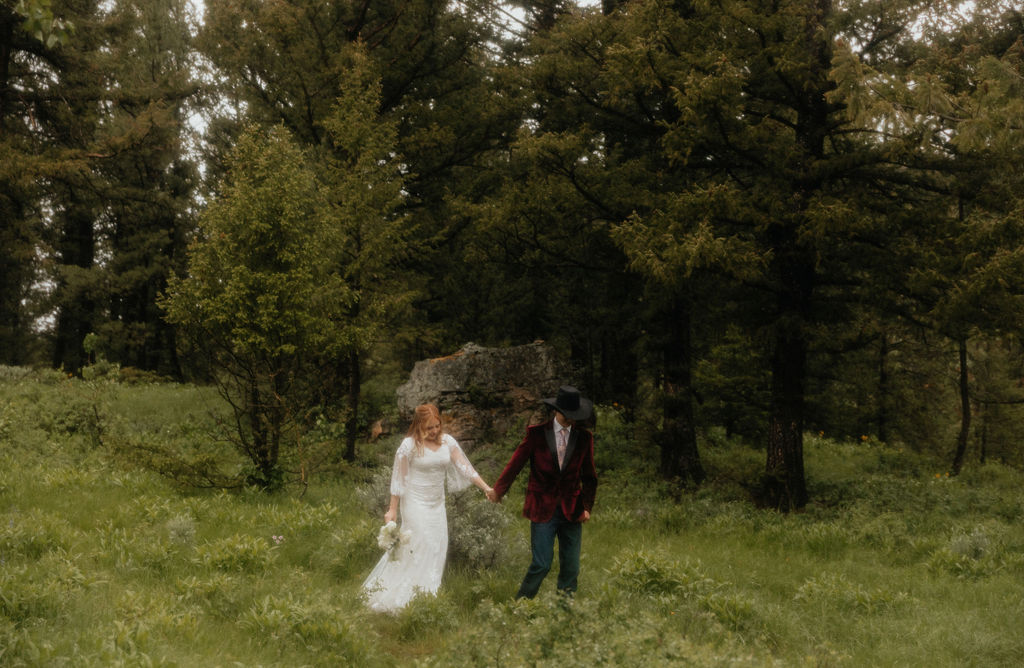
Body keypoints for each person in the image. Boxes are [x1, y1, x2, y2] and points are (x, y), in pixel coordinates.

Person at [362, 404, 493, 613]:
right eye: (429, 427)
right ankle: (407, 596)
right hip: (414, 502)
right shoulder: (409, 446)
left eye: (437, 426)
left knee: (437, 546)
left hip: (436, 504)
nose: (434, 431)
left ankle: (427, 596)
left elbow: (466, 468)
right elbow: (399, 479)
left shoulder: (447, 442)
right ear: (419, 425)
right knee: (420, 544)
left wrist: (487, 488)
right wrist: (392, 510)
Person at [488, 386, 597, 599]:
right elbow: (515, 464)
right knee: (541, 564)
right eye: (569, 416)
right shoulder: (536, 434)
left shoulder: (584, 438)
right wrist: (498, 491)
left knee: (571, 567)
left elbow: (590, 477)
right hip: (541, 509)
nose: (573, 420)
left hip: (572, 510)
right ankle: (520, 605)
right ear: (558, 411)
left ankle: (563, 612)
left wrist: (586, 507)